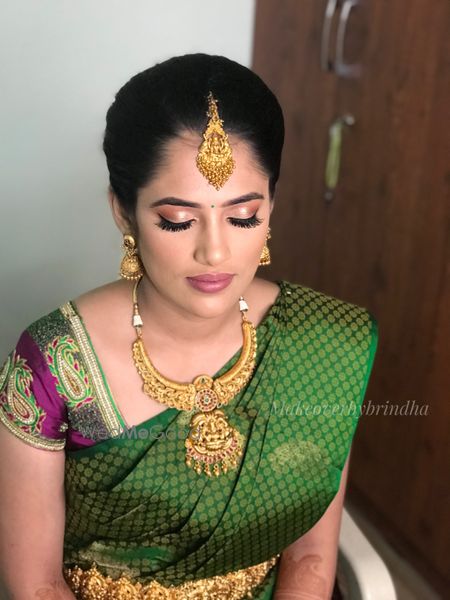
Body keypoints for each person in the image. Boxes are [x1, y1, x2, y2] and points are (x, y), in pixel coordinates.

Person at [0, 54, 378, 599]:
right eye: (177, 221)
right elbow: (36, 585)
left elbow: (312, 558)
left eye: (243, 216)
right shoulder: (54, 366)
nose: (215, 251)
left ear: (271, 204)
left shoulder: (322, 344)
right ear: (124, 213)